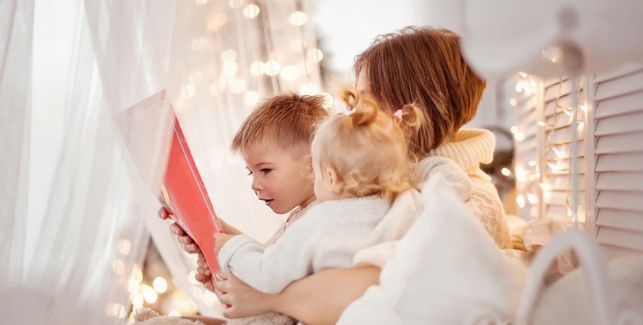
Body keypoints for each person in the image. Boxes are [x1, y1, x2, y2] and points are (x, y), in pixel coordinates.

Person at [165, 26, 511, 325]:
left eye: (363, 101)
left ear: (406, 111)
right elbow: (306, 259)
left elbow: (372, 287)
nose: (351, 115)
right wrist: (218, 241)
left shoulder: (463, 202)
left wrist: (267, 299)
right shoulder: (372, 182)